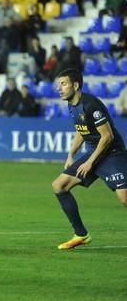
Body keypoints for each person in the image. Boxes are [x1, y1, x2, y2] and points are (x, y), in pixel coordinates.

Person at [51, 68, 127, 250]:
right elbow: (81, 130)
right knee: (59, 185)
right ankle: (81, 234)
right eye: (58, 84)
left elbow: (107, 137)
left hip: (112, 153)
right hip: (93, 153)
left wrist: (89, 162)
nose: (59, 89)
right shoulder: (72, 105)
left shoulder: (91, 104)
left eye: (63, 84)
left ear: (75, 85)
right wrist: (71, 155)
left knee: (124, 199)